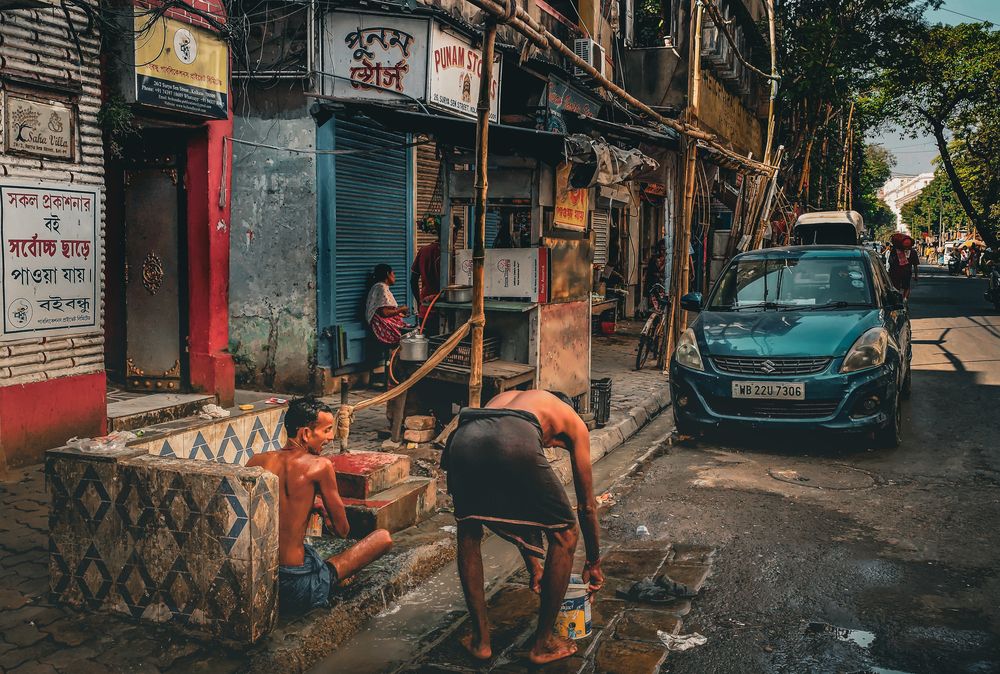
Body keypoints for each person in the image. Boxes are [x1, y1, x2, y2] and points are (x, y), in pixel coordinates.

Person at [441, 390, 605, 665]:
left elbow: (517, 503)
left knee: (468, 530)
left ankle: (481, 642)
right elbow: (587, 506)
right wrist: (594, 561)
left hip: (464, 436)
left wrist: (535, 567)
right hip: (512, 437)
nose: (551, 446)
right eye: (553, 445)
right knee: (565, 533)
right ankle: (543, 644)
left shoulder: (509, 397)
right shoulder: (572, 420)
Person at [248, 398, 393, 614]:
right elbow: (343, 530)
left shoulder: (256, 461)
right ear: (306, 434)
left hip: (260, 579)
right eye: (326, 431)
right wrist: (323, 509)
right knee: (383, 538)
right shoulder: (320, 466)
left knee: (309, 554)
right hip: (296, 586)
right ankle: (330, 579)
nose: (331, 437)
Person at [365, 264, 410, 346]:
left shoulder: (380, 287)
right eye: (393, 273)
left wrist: (399, 313)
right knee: (409, 337)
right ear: (387, 274)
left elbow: (385, 308)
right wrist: (401, 309)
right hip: (381, 326)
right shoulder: (381, 287)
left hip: (383, 324)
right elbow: (384, 313)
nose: (395, 276)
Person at [410, 223, 442, 332]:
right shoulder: (452, 254)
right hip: (445, 311)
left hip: (425, 309)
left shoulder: (424, 251)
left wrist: (419, 302)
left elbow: (413, 280)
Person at [888, 235, 919, 300]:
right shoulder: (913, 252)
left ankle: (897, 300)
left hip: (895, 273)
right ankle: (905, 299)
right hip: (907, 272)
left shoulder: (894, 251)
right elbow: (915, 265)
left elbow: (890, 262)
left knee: (896, 287)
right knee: (906, 287)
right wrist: (916, 276)